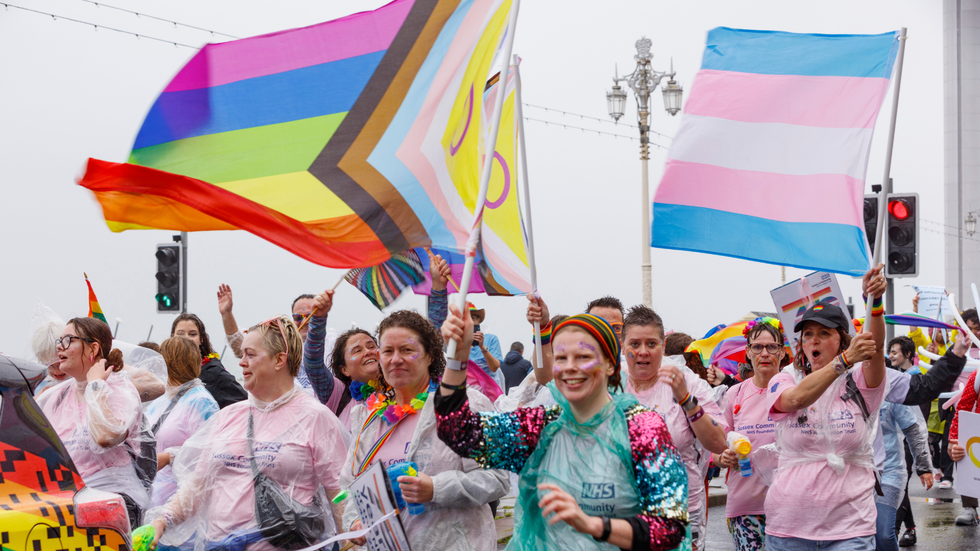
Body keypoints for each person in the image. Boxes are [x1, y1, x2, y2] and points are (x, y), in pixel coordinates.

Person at [436, 305, 688, 550]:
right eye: (561, 358)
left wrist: (592, 525)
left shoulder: (641, 427)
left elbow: (669, 527)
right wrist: (458, 357)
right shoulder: (540, 427)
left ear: (611, 364)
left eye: (583, 357)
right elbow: (458, 431)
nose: (570, 367)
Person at [148, 315, 348, 551]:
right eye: (241, 354)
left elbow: (338, 493)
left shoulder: (316, 418)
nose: (241, 362)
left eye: (250, 355)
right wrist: (163, 520)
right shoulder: (228, 416)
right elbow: (196, 486)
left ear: (279, 360)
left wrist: (350, 536)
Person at [341, 310, 509, 551]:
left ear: (430, 355)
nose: (396, 359)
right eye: (388, 351)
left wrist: (435, 488)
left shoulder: (465, 405)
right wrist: (357, 521)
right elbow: (351, 486)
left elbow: (497, 479)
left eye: (407, 350)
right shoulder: (370, 421)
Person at [763, 266, 887, 550]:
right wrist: (842, 361)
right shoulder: (785, 379)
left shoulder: (858, 383)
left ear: (842, 339)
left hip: (850, 529)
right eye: (807, 334)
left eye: (823, 333)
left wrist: (875, 302)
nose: (813, 340)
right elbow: (795, 401)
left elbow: (876, 347)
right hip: (788, 528)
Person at [619, 304, 727, 551]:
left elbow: (719, 442)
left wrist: (686, 400)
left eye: (651, 344)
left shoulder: (685, 380)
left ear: (663, 345)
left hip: (680, 510)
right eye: (635, 344)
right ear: (623, 346)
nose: (643, 352)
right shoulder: (610, 382)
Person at [36, 317, 149, 528]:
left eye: (68, 340)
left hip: (114, 510)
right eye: (59, 340)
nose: (60, 346)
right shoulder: (54, 397)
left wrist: (96, 386)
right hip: (68, 510)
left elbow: (105, 436)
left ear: (93, 348)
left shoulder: (119, 388)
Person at [716, 317, 790, 551]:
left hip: (791, 505)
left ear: (782, 352)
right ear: (748, 352)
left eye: (771, 347)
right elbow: (717, 445)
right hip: (746, 507)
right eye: (757, 347)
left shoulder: (797, 391)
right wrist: (723, 458)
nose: (764, 353)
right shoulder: (734, 394)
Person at [144, 337, 219, 509]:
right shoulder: (160, 399)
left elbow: (209, 453)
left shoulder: (202, 402)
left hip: (180, 503)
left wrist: (169, 457)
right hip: (151, 497)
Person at [303, 288, 380, 430]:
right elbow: (313, 363)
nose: (368, 352)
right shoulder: (337, 394)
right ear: (344, 369)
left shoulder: (401, 388)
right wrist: (318, 318)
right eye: (357, 350)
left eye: (371, 346)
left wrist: (436, 290)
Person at [875, 384, 932, 551]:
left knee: (884, 535)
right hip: (853, 473)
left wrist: (923, 466)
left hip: (889, 471)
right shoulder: (844, 385)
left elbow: (913, 429)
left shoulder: (890, 388)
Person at [172, 313, 246, 409]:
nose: (186, 338)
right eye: (180, 334)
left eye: (192, 334)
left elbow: (243, 406)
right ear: (172, 337)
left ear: (201, 339)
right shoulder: (165, 371)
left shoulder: (214, 372)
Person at [948, 363, 980, 526]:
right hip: (978, 433)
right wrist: (953, 441)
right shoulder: (977, 375)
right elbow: (962, 409)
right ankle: (970, 506)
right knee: (961, 450)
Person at [467, 302, 505, 390]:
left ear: (478, 320)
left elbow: (494, 367)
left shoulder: (492, 339)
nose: (470, 322)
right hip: (467, 392)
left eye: (472, 318)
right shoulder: (458, 342)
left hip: (489, 391)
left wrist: (482, 347)